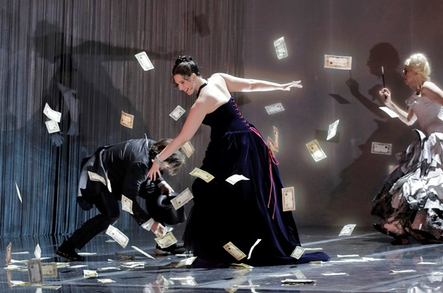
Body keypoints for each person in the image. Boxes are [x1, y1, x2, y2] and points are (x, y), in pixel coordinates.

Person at [147, 55, 330, 267]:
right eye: (177, 84)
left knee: (220, 193)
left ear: (194, 76)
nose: (181, 87)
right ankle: (234, 248)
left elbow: (183, 137)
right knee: (238, 194)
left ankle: (231, 249)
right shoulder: (218, 79)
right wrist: (280, 86)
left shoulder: (202, 101)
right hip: (248, 139)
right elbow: (251, 84)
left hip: (232, 148)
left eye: (183, 82)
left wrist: (158, 160)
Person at [372, 53, 443, 244]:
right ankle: (417, 227)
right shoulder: (415, 95)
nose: (403, 74)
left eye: (406, 71)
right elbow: (409, 120)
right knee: (422, 187)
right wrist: (389, 104)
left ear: (416, 72)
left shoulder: (428, 88)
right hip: (428, 144)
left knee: (438, 187)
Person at [56, 138, 186, 261]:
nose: (164, 170)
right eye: (166, 167)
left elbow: (154, 167)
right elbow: (127, 200)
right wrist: (150, 223)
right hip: (98, 174)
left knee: (155, 191)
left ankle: (164, 243)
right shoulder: (140, 163)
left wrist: (162, 183)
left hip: (119, 175)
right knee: (111, 215)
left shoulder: (155, 148)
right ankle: (67, 247)